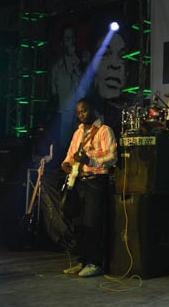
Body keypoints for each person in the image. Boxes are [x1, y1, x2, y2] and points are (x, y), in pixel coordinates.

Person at [60, 97, 117, 277]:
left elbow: (112, 157)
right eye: (78, 112)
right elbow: (70, 154)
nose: (81, 115)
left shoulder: (105, 131)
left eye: (84, 111)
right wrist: (66, 164)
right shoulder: (77, 133)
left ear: (93, 110)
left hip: (95, 180)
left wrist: (89, 160)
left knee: (92, 223)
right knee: (78, 224)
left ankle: (95, 263)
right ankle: (83, 261)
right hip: (78, 180)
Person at [51, 25, 89, 148]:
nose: (71, 42)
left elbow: (88, 88)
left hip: (81, 114)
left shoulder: (81, 62)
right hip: (65, 112)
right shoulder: (57, 69)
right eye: (67, 38)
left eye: (72, 38)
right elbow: (54, 93)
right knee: (66, 145)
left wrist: (80, 67)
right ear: (62, 43)